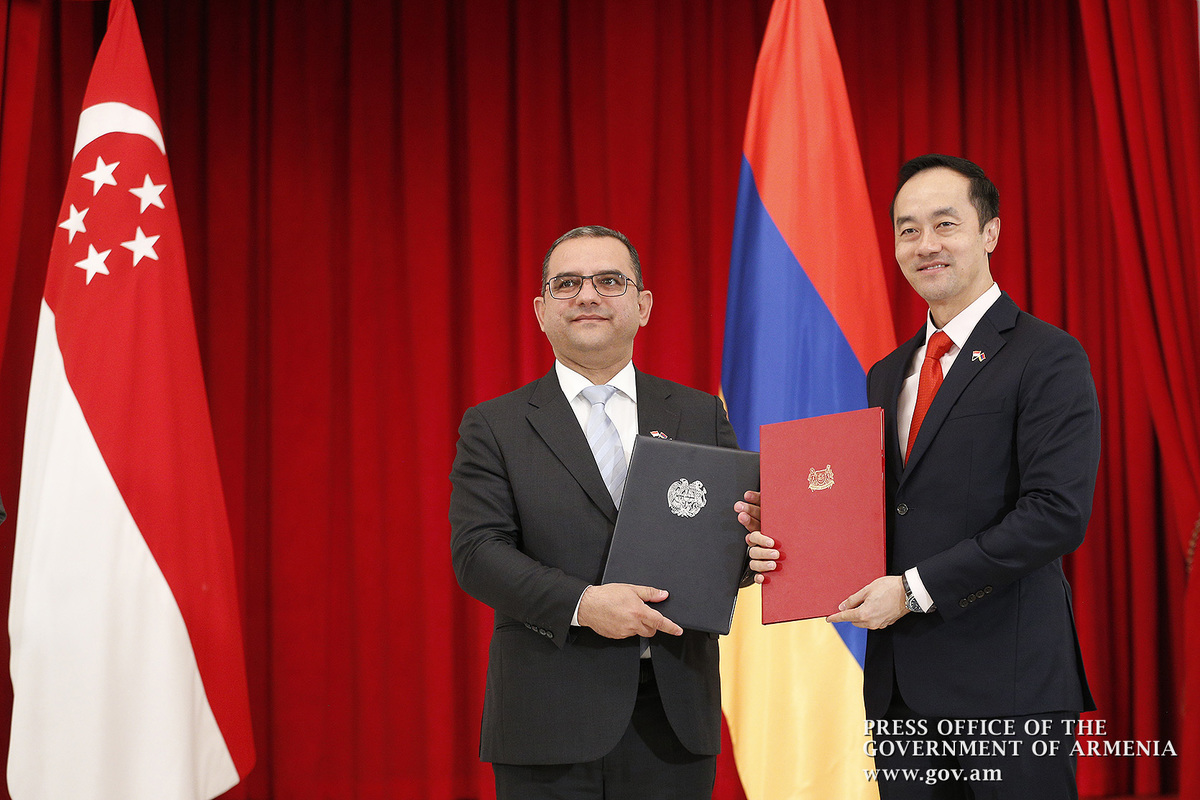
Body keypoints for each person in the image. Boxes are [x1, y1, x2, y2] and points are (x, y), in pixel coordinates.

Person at [742, 154, 1101, 799]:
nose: (925, 244)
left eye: (945, 224)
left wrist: (913, 591)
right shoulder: (887, 373)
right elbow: (887, 510)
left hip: (1008, 685)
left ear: (989, 232)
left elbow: (1056, 514)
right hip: (900, 692)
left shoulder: (1048, 356)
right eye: (908, 230)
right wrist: (795, 530)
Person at [450, 225, 741, 799]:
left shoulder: (700, 414)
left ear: (643, 306)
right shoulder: (494, 425)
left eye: (609, 281)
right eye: (567, 284)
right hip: (547, 718)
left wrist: (754, 546)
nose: (587, 295)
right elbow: (478, 554)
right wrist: (583, 604)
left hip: (675, 719)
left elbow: (727, 549)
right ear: (541, 312)